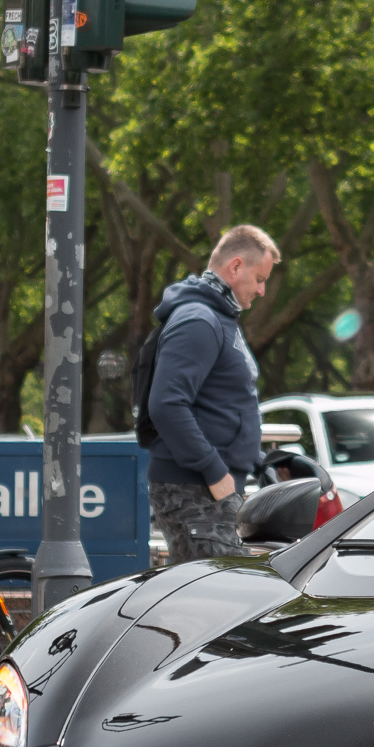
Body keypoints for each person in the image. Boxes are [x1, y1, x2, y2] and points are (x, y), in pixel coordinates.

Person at [146, 225, 279, 562]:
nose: (262, 290)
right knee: (207, 605)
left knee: (211, 599)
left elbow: (222, 403)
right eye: (260, 279)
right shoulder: (199, 320)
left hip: (207, 489)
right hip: (196, 491)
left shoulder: (219, 318)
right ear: (235, 267)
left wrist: (258, 461)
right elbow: (166, 404)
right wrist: (214, 471)